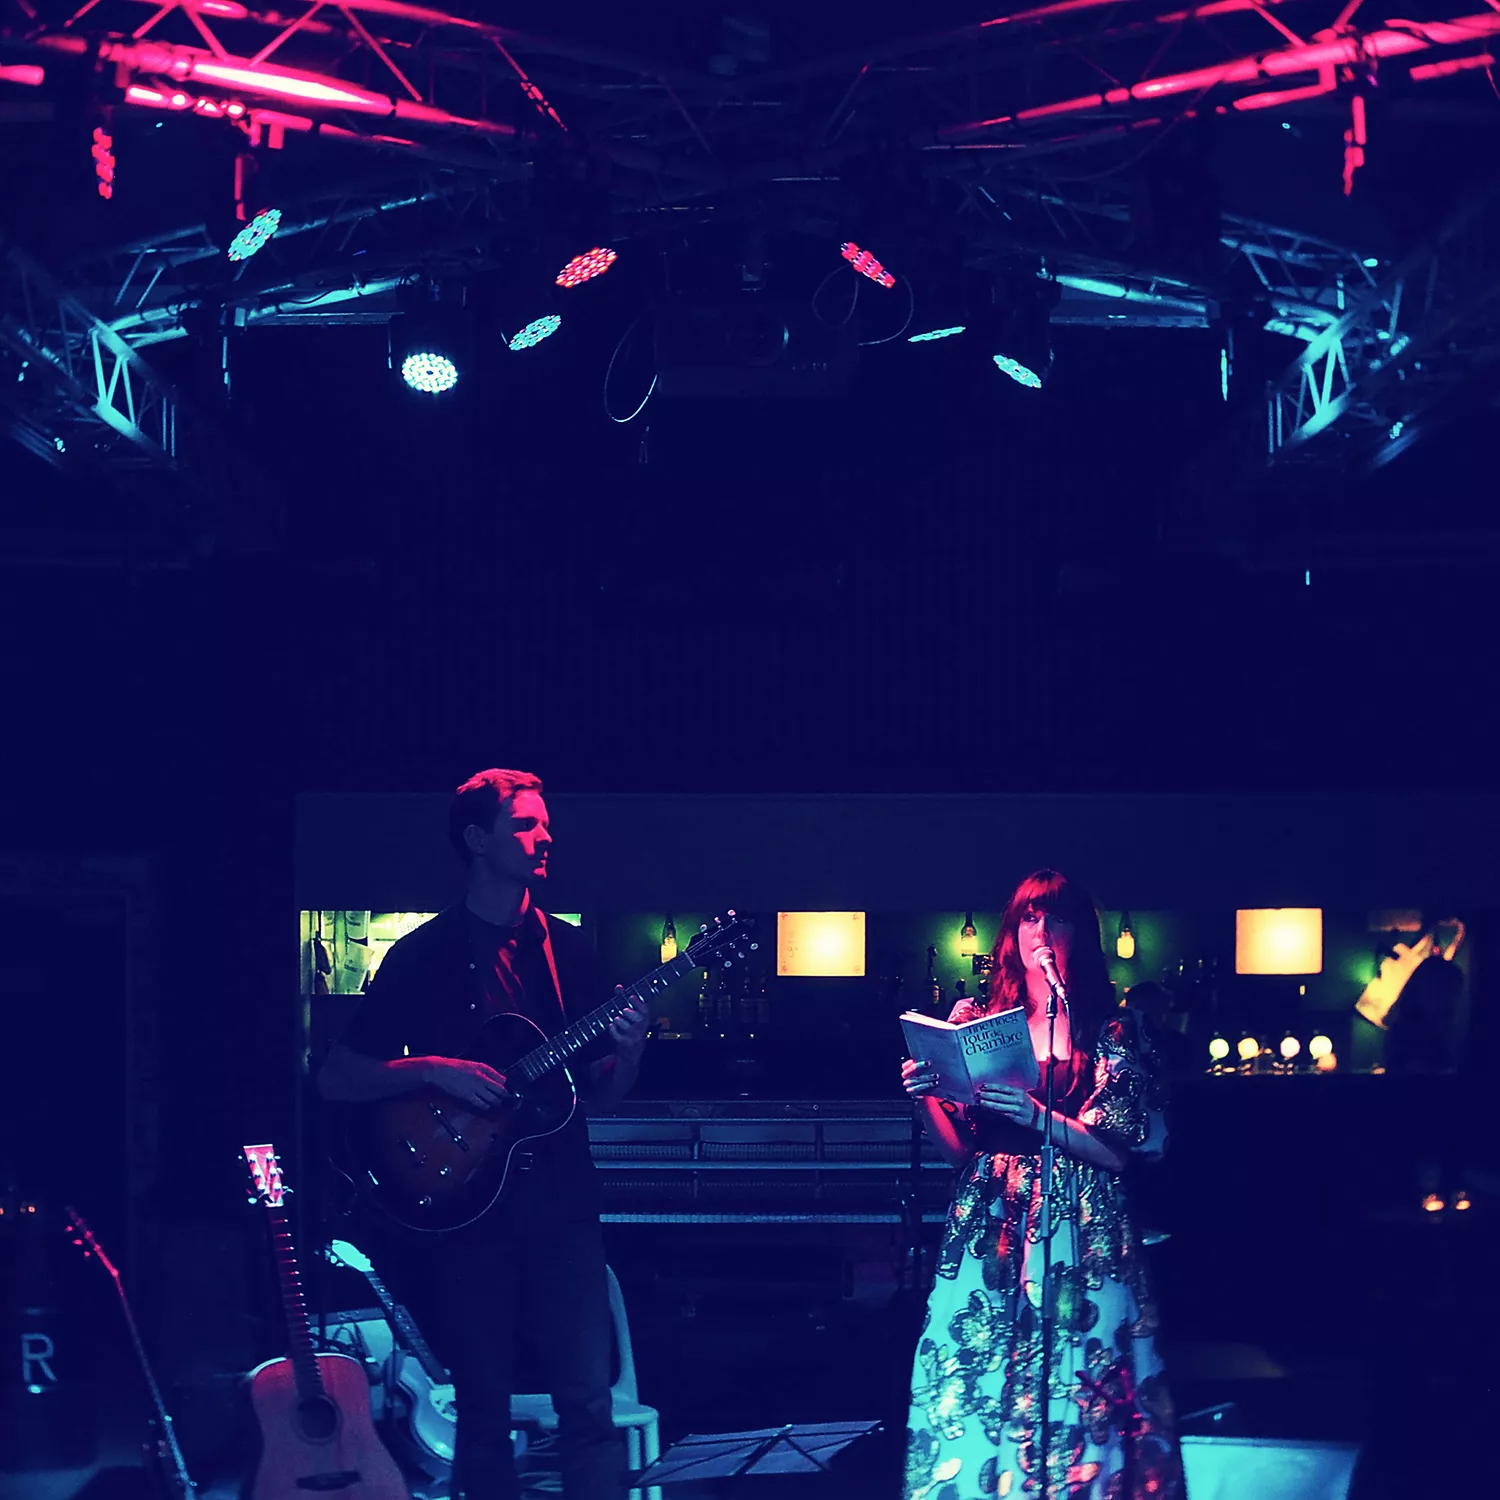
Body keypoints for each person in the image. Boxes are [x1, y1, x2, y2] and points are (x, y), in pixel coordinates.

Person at [318, 768, 650, 1500]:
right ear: (476, 839)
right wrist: (433, 1069)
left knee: (588, 1407)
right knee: (481, 1412)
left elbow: (601, 1098)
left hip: (562, 1209)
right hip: (467, 1213)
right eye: (525, 825)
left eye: (546, 824)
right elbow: (337, 1077)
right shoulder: (423, 955)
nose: (545, 837)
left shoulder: (570, 955)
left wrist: (627, 1053)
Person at [900, 870, 1182, 1500]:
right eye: (1030, 917)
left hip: (1081, 1216)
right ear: (1011, 933)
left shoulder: (1110, 1028)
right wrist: (925, 1099)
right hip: (992, 1220)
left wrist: (1039, 1118)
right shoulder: (980, 1022)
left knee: (1082, 1370)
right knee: (981, 1367)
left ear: (1080, 934)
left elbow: (1120, 1153)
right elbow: (960, 1155)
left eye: (1057, 918)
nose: (1043, 932)